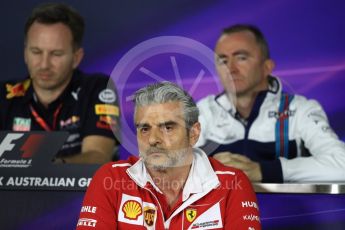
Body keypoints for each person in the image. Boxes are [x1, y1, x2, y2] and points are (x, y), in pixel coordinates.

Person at [76, 82, 261, 229]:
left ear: (194, 133)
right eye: (145, 129)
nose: (153, 139)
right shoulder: (110, 179)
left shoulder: (232, 184)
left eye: (167, 127)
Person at [196, 24, 345, 182]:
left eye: (241, 58)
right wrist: (209, 167)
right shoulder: (203, 112)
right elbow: (171, 169)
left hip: (288, 207)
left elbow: (342, 165)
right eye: (223, 60)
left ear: (267, 67)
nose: (231, 68)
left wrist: (264, 171)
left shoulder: (301, 110)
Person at [0, 3, 120, 164]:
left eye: (56, 54)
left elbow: (98, 156)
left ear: (76, 57)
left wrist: (51, 170)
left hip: (82, 190)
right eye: (36, 52)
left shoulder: (98, 89)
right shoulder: (5, 95)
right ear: (25, 53)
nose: (44, 64)